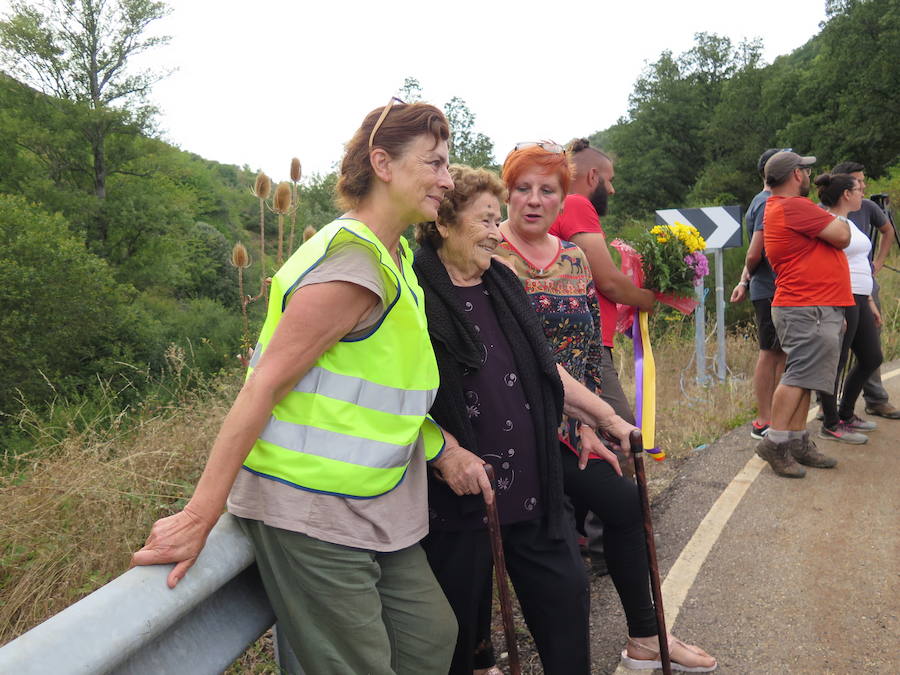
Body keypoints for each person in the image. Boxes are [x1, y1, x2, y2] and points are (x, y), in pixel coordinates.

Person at [131, 100, 465, 674]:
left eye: (448, 165)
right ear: (383, 164)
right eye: (434, 163)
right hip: (307, 504)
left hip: (374, 500)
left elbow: (376, 390)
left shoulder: (396, 255)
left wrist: (444, 448)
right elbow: (261, 388)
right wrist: (198, 515)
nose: (447, 179)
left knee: (431, 637)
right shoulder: (353, 266)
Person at [494, 142, 717, 672]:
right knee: (555, 559)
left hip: (571, 426)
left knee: (624, 502)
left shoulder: (572, 256)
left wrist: (591, 420)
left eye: (546, 190)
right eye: (522, 188)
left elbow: (588, 345)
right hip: (514, 431)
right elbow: (524, 356)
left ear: (562, 197)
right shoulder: (490, 254)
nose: (533, 200)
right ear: (506, 193)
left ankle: (646, 637)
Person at [413, 164, 638, 674]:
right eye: (485, 221)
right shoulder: (416, 291)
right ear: (443, 224)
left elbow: (545, 370)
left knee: (567, 598)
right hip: (464, 500)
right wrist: (445, 451)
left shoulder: (503, 282)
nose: (498, 232)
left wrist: (605, 417)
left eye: (498, 220)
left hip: (534, 485)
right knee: (461, 637)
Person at [548, 138, 655, 575]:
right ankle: (609, 543)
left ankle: (590, 539)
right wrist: (650, 298)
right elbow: (607, 280)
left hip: (581, 340)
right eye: (608, 181)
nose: (610, 191)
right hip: (584, 344)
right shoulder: (576, 202)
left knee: (587, 434)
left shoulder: (566, 205)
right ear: (592, 176)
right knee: (619, 433)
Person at [756, 151, 852, 478]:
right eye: (805, 171)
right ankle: (776, 441)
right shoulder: (794, 206)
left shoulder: (782, 207)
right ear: (797, 175)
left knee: (806, 375)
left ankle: (796, 440)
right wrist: (838, 217)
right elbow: (842, 235)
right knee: (798, 375)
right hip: (806, 305)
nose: (809, 177)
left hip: (813, 305)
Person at [813, 173, 883, 444]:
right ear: (846, 194)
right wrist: (837, 304)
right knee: (837, 361)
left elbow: (858, 263)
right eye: (858, 189)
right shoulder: (829, 223)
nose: (862, 192)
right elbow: (828, 264)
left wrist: (868, 300)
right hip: (843, 296)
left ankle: (846, 412)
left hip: (859, 297)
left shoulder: (847, 222)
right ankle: (831, 423)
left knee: (871, 357)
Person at [831, 160, 900, 420]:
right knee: (836, 347)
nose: (864, 185)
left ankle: (874, 398)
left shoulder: (868, 207)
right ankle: (828, 408)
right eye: (858, 181)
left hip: (865, 288)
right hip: (838, 291)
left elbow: (887, 230)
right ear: (844, 187)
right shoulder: (825, 213)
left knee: (870, 349)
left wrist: (879, 262)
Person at [730, 148, 787, 440]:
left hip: (769, 288)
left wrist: (743, 282)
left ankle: (776, 416)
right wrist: (747, 279)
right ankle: (764, 419)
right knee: (770, 352)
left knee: (779, 353)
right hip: (770, 290)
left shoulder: (762, 200)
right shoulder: (766, 203)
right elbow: (755, 252)